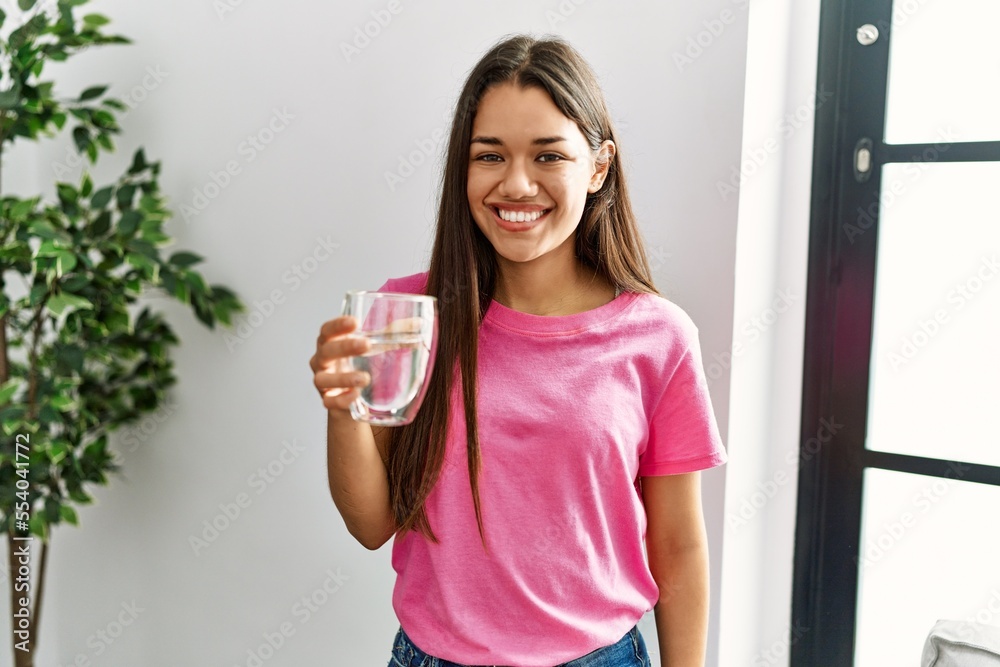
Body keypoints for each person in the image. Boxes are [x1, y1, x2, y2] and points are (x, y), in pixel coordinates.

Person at [310, 34, 727, 667]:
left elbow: (679, 546)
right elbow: (372, 526)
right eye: (490, 155)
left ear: (598, 167)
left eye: (548, 155)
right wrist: (344, 409)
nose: (517, 184)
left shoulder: (659, 337)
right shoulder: (408, 315)